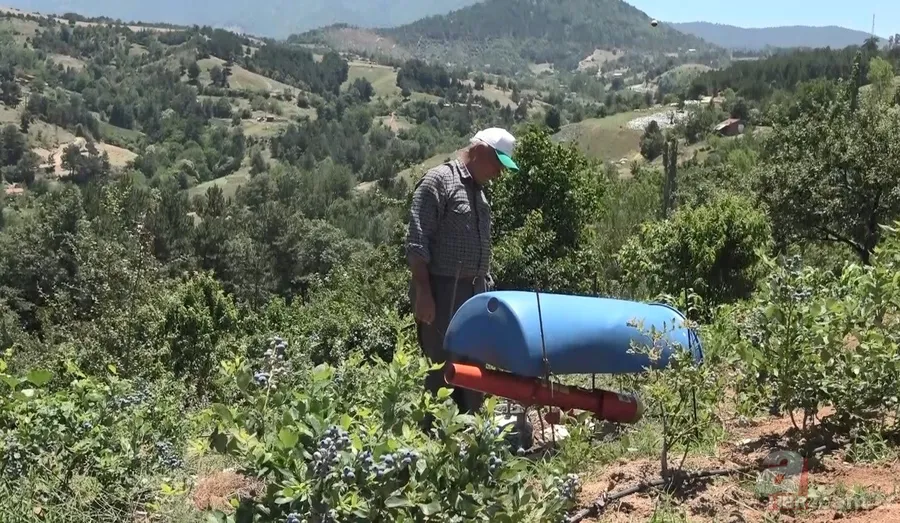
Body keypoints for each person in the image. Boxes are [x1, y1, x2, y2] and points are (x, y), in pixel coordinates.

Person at [405, 127, 519, 417]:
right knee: (443, 369)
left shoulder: (480, 195)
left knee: (475, 371)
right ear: (480, 150)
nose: (499, 174)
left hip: (475, 295)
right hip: (443, 293)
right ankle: (435, 442)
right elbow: (417, 241)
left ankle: (474, 441)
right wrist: (423, 292)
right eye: (498, 164)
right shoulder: (439, 181)